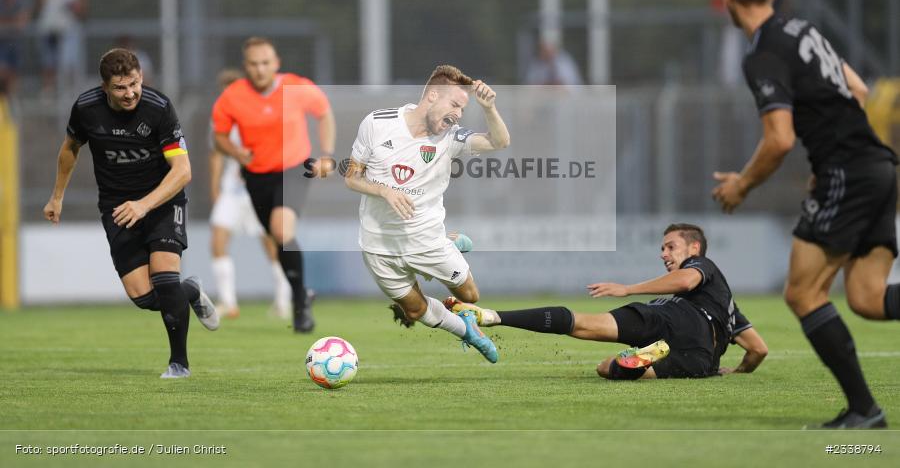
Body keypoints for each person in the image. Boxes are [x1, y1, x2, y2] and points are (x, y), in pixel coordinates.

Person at [712, 0, 899, 429]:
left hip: (850, 173)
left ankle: (865, 413)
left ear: (728, 0)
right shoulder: (802, 29)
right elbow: (857, 89)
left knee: (802, 293)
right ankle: (866, 412)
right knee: (867, 298)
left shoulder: (762, 54)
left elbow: (778, 140)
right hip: (878, 166)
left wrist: (741, 186)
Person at [43, 48, 219, 379]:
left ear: (141, 78)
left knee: (166, 280)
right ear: (104, 87)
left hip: (163, 201)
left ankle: (178, 364)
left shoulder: (158, 108)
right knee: (145, 297)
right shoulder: (86, 108)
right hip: (117, 208)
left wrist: (144, 204)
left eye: (135, 84)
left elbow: (182, 171)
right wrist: (57, 197)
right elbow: (70, 149)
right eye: (121, 88)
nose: (130, 93)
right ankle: (191, 291)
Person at [343, 65, 510, 363]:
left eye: (462, 109)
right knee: (415, 310)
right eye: (455, 105)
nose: (458, 115)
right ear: (433, 96)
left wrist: (489, 108)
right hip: (379, 245)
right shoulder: (377, 123)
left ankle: (449, 244)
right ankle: (466, 329)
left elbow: (500, 142)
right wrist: (385, 191)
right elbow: (352, 177)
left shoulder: (451, 138)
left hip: (426, 240)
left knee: (470, 297)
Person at [448, 224, 768, 379]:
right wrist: (735, 372)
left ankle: (491, 315)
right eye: (662, 248)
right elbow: (757, 350)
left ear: (694, 248)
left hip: (676, 318)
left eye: (671, 247)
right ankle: (638, 359)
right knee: (607, 368)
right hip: (701, 356)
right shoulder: (726, 307)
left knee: (582, 323)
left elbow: (686, 280)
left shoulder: (702, 267)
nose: (663, 254)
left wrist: (627, 289)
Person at [211, 37, 335, 333]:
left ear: (276, 63)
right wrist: (236, 152)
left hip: (294, 168)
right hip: (256, 175)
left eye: (265, 63)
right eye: (253, 64)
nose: (260, 69)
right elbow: (220, 136)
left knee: (281, 230)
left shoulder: (296, 86)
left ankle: (299, 304)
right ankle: (301, 292)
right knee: (277, 238)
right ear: (246, 67)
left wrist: (327, 155)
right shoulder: (232, 97)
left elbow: (324, 113)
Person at [209, 69, 291, 320]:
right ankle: (228, 302)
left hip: (258, 189)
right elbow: (215, 155)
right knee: (218, 241)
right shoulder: (219, 118)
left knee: (270, 245)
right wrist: (215, 187)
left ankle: (283, 300)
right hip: (232, 192)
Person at [36, 0, 87, 98]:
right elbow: (39, 7)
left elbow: (81, 11)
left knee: (68, 64)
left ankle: (71, 90)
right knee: (48, 63)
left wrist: (72, 6)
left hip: (66, 34)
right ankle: (49, 91)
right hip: (49, 32)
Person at [0, 0, 33, 94]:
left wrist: (8, 22)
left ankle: (12, 98)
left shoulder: (21, 3)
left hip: (16, 44)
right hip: (2, 44)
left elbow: (22, 23)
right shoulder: (2, 3)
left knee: (14, 73)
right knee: (3, 71)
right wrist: (13, 21)